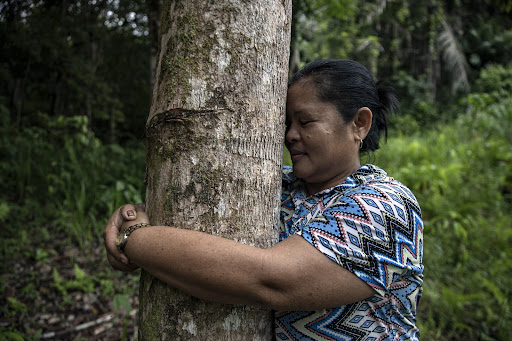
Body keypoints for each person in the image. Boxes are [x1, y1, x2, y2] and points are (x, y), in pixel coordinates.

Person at [104, 59, 424, 340]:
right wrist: (137, 214)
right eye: (287, 124)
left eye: (306, 121)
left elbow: (271, 281)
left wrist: (134, 239)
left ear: (359, 124)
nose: (290, 135)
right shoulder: (276, 184)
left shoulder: (385, 205)